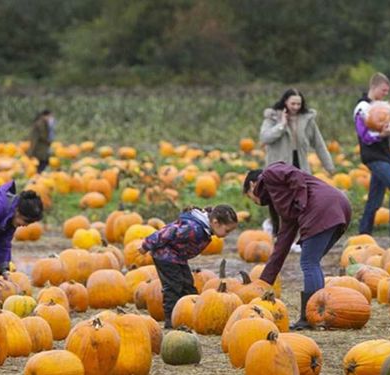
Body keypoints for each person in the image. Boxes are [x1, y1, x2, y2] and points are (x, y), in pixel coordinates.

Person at [243, 162, 351, 330]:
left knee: (309, 263)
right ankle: (318, 313)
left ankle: (310, 316)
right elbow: (282, 245)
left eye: (250, 197)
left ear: (252, 185)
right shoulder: (284, 202)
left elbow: (295, 175)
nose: (256, 202)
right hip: (338, 205)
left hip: (323, 207)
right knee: (312, 262)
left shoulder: (270, 173)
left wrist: (301, 202)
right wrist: (265, 281)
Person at [139, 205, 238, 329]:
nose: (227, 235)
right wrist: (146, 244)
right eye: (227, 231)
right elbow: (167, 232)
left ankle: (190, 315)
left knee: (187, 284)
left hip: (178, 257)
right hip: (165, 256)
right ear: (215, 222)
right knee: (173, 286)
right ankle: (171, 320)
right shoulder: (193, 228)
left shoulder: (205, 229)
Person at [354, 72, 390, 247]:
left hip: (384, 156)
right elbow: (364, 135)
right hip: (373, 157)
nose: (385, 94)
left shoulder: (384, 108)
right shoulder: (363, 107)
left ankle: (364, 236)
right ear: (375, 87)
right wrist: (380, 135)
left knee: (375, 199)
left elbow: (389, 136)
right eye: (384, 91)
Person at [260, 88, 335, 175]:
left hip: (301, 166)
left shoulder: (307, 120)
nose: (296, 107)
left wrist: (329, 167)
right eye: (293, 104)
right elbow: (265, 138)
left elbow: (319, 144)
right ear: (285, 102)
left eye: (298, 104)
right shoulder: (273, 117)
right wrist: (282, 125)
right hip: (278, 169)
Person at [28, 109, 55, 174]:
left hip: (42, 148)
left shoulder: (43, 123)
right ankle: (39, 176)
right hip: (40, 148)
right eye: (50, 116)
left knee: (44, 163)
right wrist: (31, 152)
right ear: (45, 116)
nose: (51, 118)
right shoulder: (40, 124)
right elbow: (41, 137)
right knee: (42, 164)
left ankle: (40, 176)